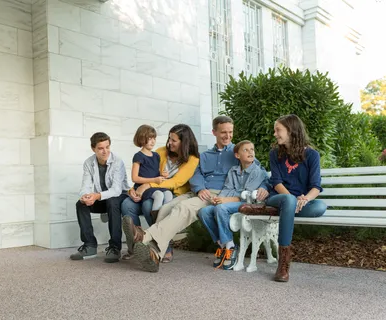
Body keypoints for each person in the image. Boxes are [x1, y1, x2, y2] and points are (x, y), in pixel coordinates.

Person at [123, 116, 269, 272]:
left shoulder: (237, 152)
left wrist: (265, 187)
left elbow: (257, 169)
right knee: (165, 208)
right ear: (214, 132)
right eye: (223, 132)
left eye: (230, 132)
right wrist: (199, 188)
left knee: (183, 208)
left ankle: (144, 237)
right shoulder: (205, 155)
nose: (228, 136)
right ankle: (155, 256)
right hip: (199, 192)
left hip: (218, 195)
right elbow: (196, 175)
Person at [121, 124, 200, 261]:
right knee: (127, 204)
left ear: (184, 142)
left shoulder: (193, 159)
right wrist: (133, 189)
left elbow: (176, 182)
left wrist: (147, 185)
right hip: (152, 191)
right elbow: (144, 172)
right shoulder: (160, 152)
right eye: (169, 139)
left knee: (148, 206)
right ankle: (135, 244)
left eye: (174, 140)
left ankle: (161, 246)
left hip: (172, 193)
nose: (169, 143)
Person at [266, 114, 327, 282]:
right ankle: (283, 264)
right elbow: (276, 183)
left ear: (291, 131)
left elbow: (316, 186)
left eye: (278, 130)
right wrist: (292, 199)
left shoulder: (312, 155)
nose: (275, 134)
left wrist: (305, 199)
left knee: (320, 207)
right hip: (278, 197)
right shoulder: (275, 154)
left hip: (299, 202)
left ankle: (284, 211)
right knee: (289, 200)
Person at [197, 140, 269, 270]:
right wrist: (219, 198)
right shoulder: (233, 171)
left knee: (221, 208)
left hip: (249, 204)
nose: (250, 152)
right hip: (232, 202)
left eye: (252, 149)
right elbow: (227, 188)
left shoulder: (257, 172)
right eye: (245, 150)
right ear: (237, 156)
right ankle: (225, 245)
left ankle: (230, 248)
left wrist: (225, 201)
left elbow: (247, 195)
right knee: (204, 212)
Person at [70, 132, 130, 263]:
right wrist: (85, 197)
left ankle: (115, 247)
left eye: (107, 147)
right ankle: (90, 245)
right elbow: (85, 185)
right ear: (93, 149)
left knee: (112, 202)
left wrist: (96, 196)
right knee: (80, 204)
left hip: (120, 197)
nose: (105, 151)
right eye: (101, 148)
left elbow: (116, 190)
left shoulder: (117, 162)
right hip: (102, 197)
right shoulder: (88, 163)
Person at [131, 125, 173, 212]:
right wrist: (154, 180)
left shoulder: (156, 155)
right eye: (150, 138)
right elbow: (134, 178)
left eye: (154, 138)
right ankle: (156, 220)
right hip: (143, 187)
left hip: (154, 185)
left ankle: (166, 218)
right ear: (141, 139)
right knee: (159, 195)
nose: (153, 141)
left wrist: (162, 175)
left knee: (168, 194)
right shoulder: (138, 156)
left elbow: (155, 172)